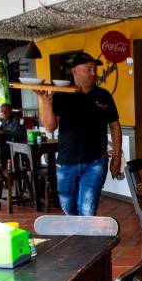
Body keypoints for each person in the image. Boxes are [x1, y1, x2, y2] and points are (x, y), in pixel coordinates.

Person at [36, 52, 122, 216]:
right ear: (74, 71)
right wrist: (46, 103)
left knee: (87, 210)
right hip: (66, 163)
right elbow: (50, 127)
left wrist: (117, 156)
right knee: (68, 207)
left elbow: (114, 125)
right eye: (88, 69)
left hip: (95, 162)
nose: (94, 73)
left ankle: (86, 239)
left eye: (95, 69)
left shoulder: (103, 95)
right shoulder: (62, 93)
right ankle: (78, 236)